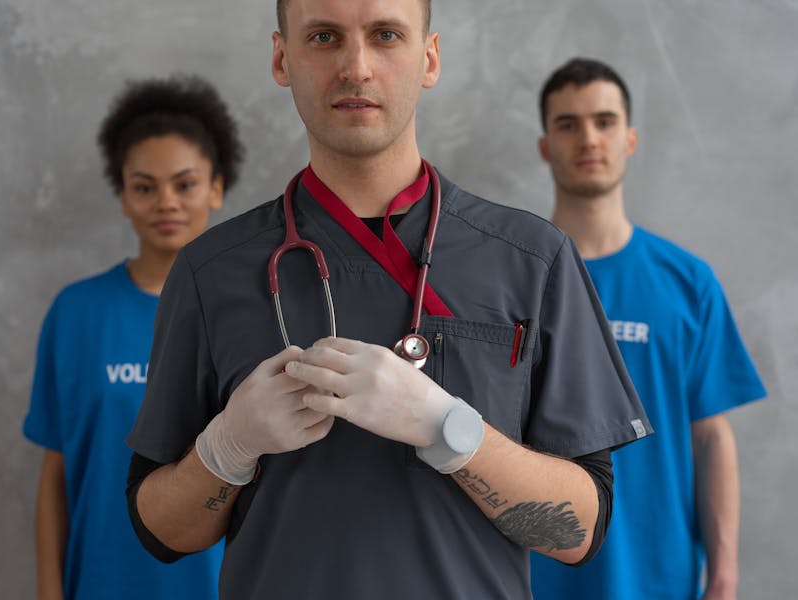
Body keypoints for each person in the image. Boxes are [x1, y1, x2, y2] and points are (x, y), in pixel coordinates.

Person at [125, 3, 651, 598]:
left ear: (428, 57)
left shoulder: (533, 260)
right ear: (281, 58)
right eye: (324, 37)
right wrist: (228, 447)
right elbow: (162, 532)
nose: (356, 67)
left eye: (385, 35)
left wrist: (451, 431)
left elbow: (579, 531)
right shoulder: (210, 271)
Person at [529, 58, 767, 600]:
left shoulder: (687, 282)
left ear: (630, 139)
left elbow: (710, 436)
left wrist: (725, 576)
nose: (589, 137)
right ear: (545, 145)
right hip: (534, 577)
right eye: (568, 124)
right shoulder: (513, 279)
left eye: (605, 121)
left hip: (660, 577)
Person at [23, 74, 244, 599]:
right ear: (122, 196)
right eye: (144, 186)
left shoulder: (250, 314)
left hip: (219, 585)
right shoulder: (76, 312)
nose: (165, 202)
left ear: (216, 186)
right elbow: (56, 475)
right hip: (102, 582)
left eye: (185, 183)